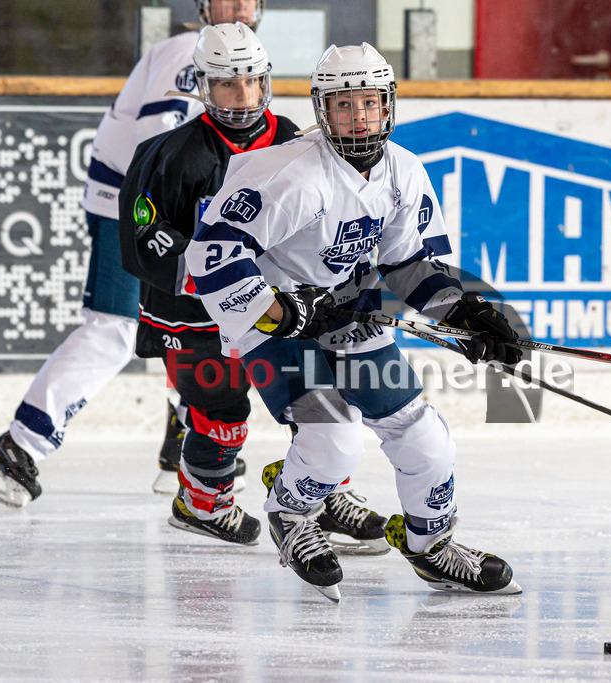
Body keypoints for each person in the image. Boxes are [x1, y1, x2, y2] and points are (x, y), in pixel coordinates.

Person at [185, 43, 524, 600]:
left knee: (425, 439)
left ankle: (430, 546)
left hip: (348, 316)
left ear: (388, 104)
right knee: (334, 438)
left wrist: (465, 313)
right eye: (343, 105)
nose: (359, 117)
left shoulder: (404, 171)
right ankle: (291, 513)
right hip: (274, 326)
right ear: (322, 110)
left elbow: (408, 264)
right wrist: (282, 310)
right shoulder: (289, 175)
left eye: (369, 102)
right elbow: (211, 254)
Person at [0, 1, 264, 507]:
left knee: (194, 324)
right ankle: (16, 449)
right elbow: (158, 144)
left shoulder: (239, 56)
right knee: (115, 329)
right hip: (137, 210)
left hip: (179, 213)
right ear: (203, 5)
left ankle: (180, 453)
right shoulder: (187, 52)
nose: (240, 7)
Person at [118, 24, 389, 553]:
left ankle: (324, 493)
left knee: (319, 403)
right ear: (203, 85)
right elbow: (145, 243)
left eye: (251, 81)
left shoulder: (299, 141)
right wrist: (231, 286)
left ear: (267, 81)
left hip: (283, 307)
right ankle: (202, 502)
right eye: (226, 83)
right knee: (221, 409)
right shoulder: (168, 155)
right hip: (194, 316)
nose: (242, 96)